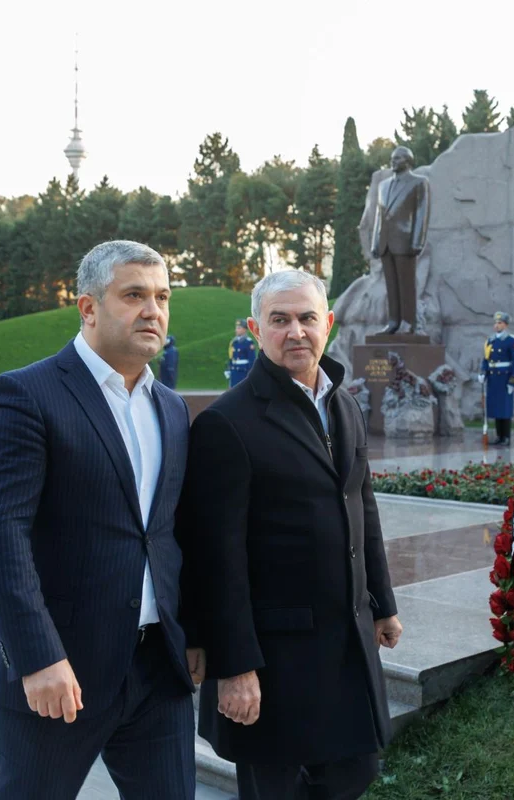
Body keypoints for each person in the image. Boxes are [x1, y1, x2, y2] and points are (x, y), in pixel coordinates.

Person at [0, 240, 202, 800]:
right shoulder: (26, 394)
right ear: (89, 308)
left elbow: (169, 534)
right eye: (134, 295)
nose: (154, 310)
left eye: (163, 297)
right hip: (60, 672)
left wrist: (193, 630)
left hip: (157, 671)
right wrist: (38, 656)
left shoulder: (169, 407)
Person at [178, 269, 403, 800]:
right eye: (280, 320)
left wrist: (383, 603)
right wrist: (234, 669)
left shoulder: (343, 403)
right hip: (273, 660)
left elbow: (361, 506)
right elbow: (217, 558)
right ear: (258, 330)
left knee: (355, 773)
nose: (295, 331)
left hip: (344, 643)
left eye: (306, 318)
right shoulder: (227, 424)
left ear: (328, 324)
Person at [369, 146, 430, 335]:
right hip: (386, 241)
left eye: (397, 159)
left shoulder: (419, 182)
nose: (392, 162)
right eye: (391, 158)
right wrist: (375, 242)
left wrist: (417, 242)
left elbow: (422, 213)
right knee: (391, 285)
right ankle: (393, 321)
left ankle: (408, 322)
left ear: (407, 161)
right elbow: (380, 215)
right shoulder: (383, 185)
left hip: (405, 241)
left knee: (406, 284)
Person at [480, 311, 514, 447]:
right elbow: (486, 360)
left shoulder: (511, 340)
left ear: (506, 325)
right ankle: (499, 436)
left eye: (500, 323)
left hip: (504, 379)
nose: (497, 325)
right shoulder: (490, 341)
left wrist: (513, 381)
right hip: (493, 380)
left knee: (505, 409)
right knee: (496, 408)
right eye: (496, 323)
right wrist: (483, 373)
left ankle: (506, 437)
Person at [225, 318, 257, 388]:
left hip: (243, 372)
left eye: (239, 328)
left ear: (245, 329)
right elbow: (231, 357)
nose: (236, 330)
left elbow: (252, 359)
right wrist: (228, 369)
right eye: (236, 328)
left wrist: (251, 373)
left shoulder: (248, 342)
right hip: (234, 371)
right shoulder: (234, 342)